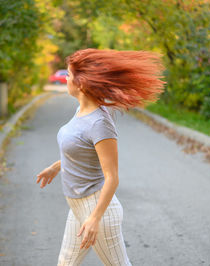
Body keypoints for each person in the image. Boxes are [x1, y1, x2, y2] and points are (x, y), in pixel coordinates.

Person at [36, 48, 166, 265]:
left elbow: (112, 177)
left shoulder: (99, 123)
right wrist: (57, 166)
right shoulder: (81, 111)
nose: (66, 79)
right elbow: (82, 151)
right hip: (78, 208)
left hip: (96, 211)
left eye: (68, 75)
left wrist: (95, 218)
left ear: (81, 83)